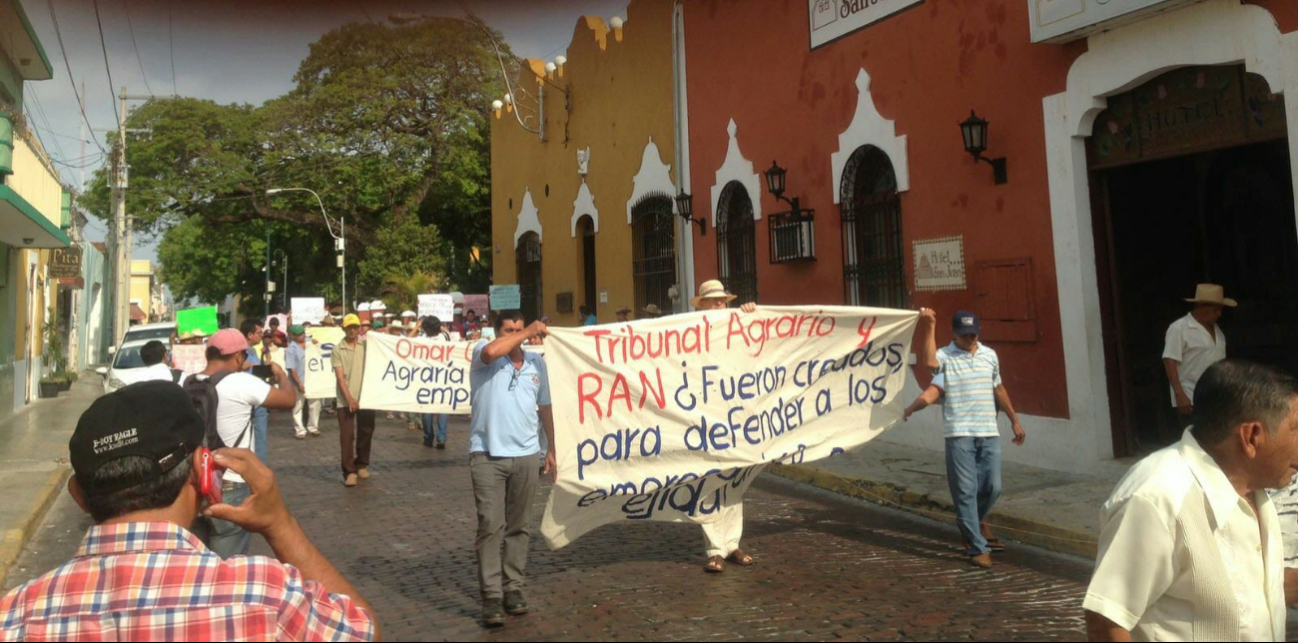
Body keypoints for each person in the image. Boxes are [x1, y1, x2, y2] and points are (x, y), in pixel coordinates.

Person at [0, 382, 378, 641]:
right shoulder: (266, 595)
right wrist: (281, 525)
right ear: (203, 470)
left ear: (78, 495)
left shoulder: (14, 616)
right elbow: (362, 630)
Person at [1084, 360, 1298, 641]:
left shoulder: (1256, 491)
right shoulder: (1157, 498)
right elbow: (1107, 619)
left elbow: (1243, 590)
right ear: (1252, 437)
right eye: (1295, 428)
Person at [914, 308, 1025, 568]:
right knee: (965, 492)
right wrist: (929, 325)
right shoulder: (945, 355)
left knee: (992, 487)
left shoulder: (989, 356)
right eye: (965, 335)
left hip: (988, 432)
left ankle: (969, 525)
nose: (970, 338)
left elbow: (998, 388)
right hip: (959, 434)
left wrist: (1015, 420)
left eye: (973, 333)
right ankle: (977, 546)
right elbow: (929, 363)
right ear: (954, 334)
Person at [469, 310, 556, 628]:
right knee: (490, 525)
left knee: (519, 526)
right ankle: (491, 595)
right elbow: (494, 351)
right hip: (487, 454)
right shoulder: (483, 351)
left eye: (519, 329)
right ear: (496, 331)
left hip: (527, 454)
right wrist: (528, 330)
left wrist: (552, 449)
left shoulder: (537, 364)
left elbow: (544, 405)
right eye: (509, 329)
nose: (515, 334)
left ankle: (513, 588)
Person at [189, 329, 296, 558]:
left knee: (198, 556)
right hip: (230, 482)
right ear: (238, 357)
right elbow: (288, 400)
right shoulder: (242, 383)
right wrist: (279, 374)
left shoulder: (187, 382)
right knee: (227, 558)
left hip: (196, 481)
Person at [689, 280, 758, 573]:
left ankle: (732, 544)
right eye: (713, 301)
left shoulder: (737, 324)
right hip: (705, 416)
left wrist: (751, 315)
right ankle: (714, 549)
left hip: (736, 416)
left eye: (722, 301)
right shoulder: (689, 332)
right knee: (709, 481)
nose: (719, 305)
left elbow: (758, 347)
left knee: (735, 479)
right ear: (702, 304)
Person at [1164, 283, 1234, 433]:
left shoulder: (1218, 332)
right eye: (1216, 310)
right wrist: (1180, 395)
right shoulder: (1179, 328)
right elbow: (1169, 360)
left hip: (1215, 397)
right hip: (1190, 397)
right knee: (1195, 442)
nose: (1219, 314)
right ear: (1201, 306)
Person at [334, 315, 375, 488]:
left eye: (355, 327)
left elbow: (393, 350)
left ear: (359, 328)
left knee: (366, 431)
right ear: (344, 328)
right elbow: (340, 377)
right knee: (347, 436)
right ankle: (349, 471)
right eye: (349, 327)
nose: (352, 330)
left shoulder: (367, 346)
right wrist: (349, 397)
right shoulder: (338, 349)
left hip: (366, 397)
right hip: (345, 400)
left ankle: (362, 464)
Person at [240, 319, 272, 465]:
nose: (262, 335)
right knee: (254, 436)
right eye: (259, 332)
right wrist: (243, 366)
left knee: (260, 436)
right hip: (248, 399)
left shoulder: (252, 350)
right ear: (250, 334)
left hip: (259, 399)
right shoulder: (241, 352)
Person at [421, 316, 452, 449]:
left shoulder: (421, 340)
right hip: (442, 377)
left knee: (426, 408)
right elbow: (447, 333)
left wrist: (417, 326)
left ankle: (428, 437)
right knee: (443, 408)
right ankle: (441, 438)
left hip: (426, 378)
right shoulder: (444, 337)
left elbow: (406, 340)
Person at [285, 325, 321, 440]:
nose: (302, 335)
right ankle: (299, 429)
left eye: (303, 333)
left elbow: (317, 343)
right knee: (298, 405)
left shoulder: (308, 342)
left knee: (315, 403)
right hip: (298, 380)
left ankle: (313, 426)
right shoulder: (291, 349)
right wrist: (299, 383)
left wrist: (316, 342)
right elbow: (292, 368)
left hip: (313, 378)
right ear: (293, 336)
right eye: (299, 334)